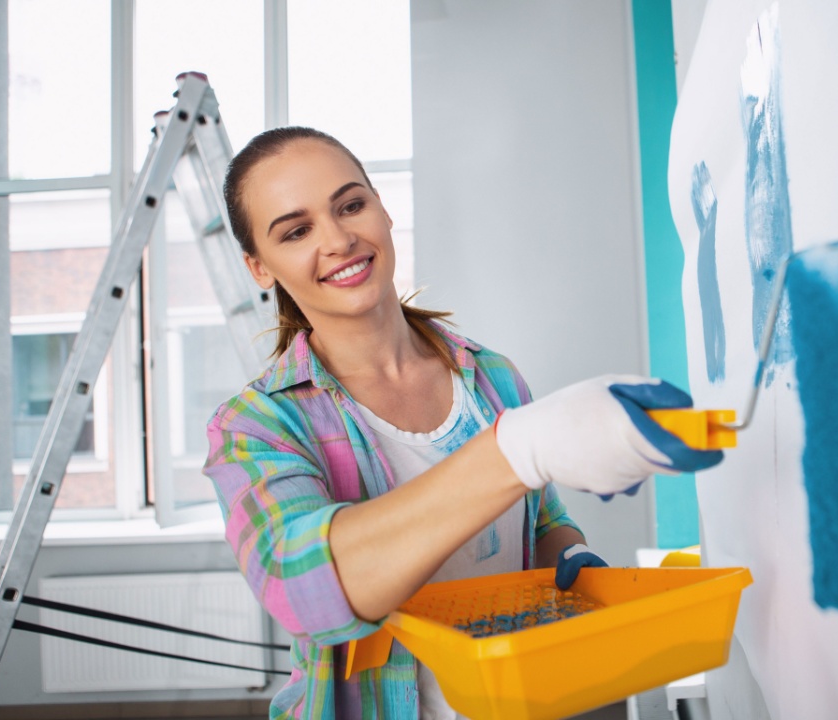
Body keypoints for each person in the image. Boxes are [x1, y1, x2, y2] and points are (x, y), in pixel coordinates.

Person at [202, 126, 722, 720]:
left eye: (351, 205)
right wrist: (519, 447)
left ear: (383, 209)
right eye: (296, 231)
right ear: (259, 267)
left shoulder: (491, 377)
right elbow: (307, 591)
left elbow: (545, 520)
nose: (340, 239)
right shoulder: (255, 426)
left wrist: (576, 562)